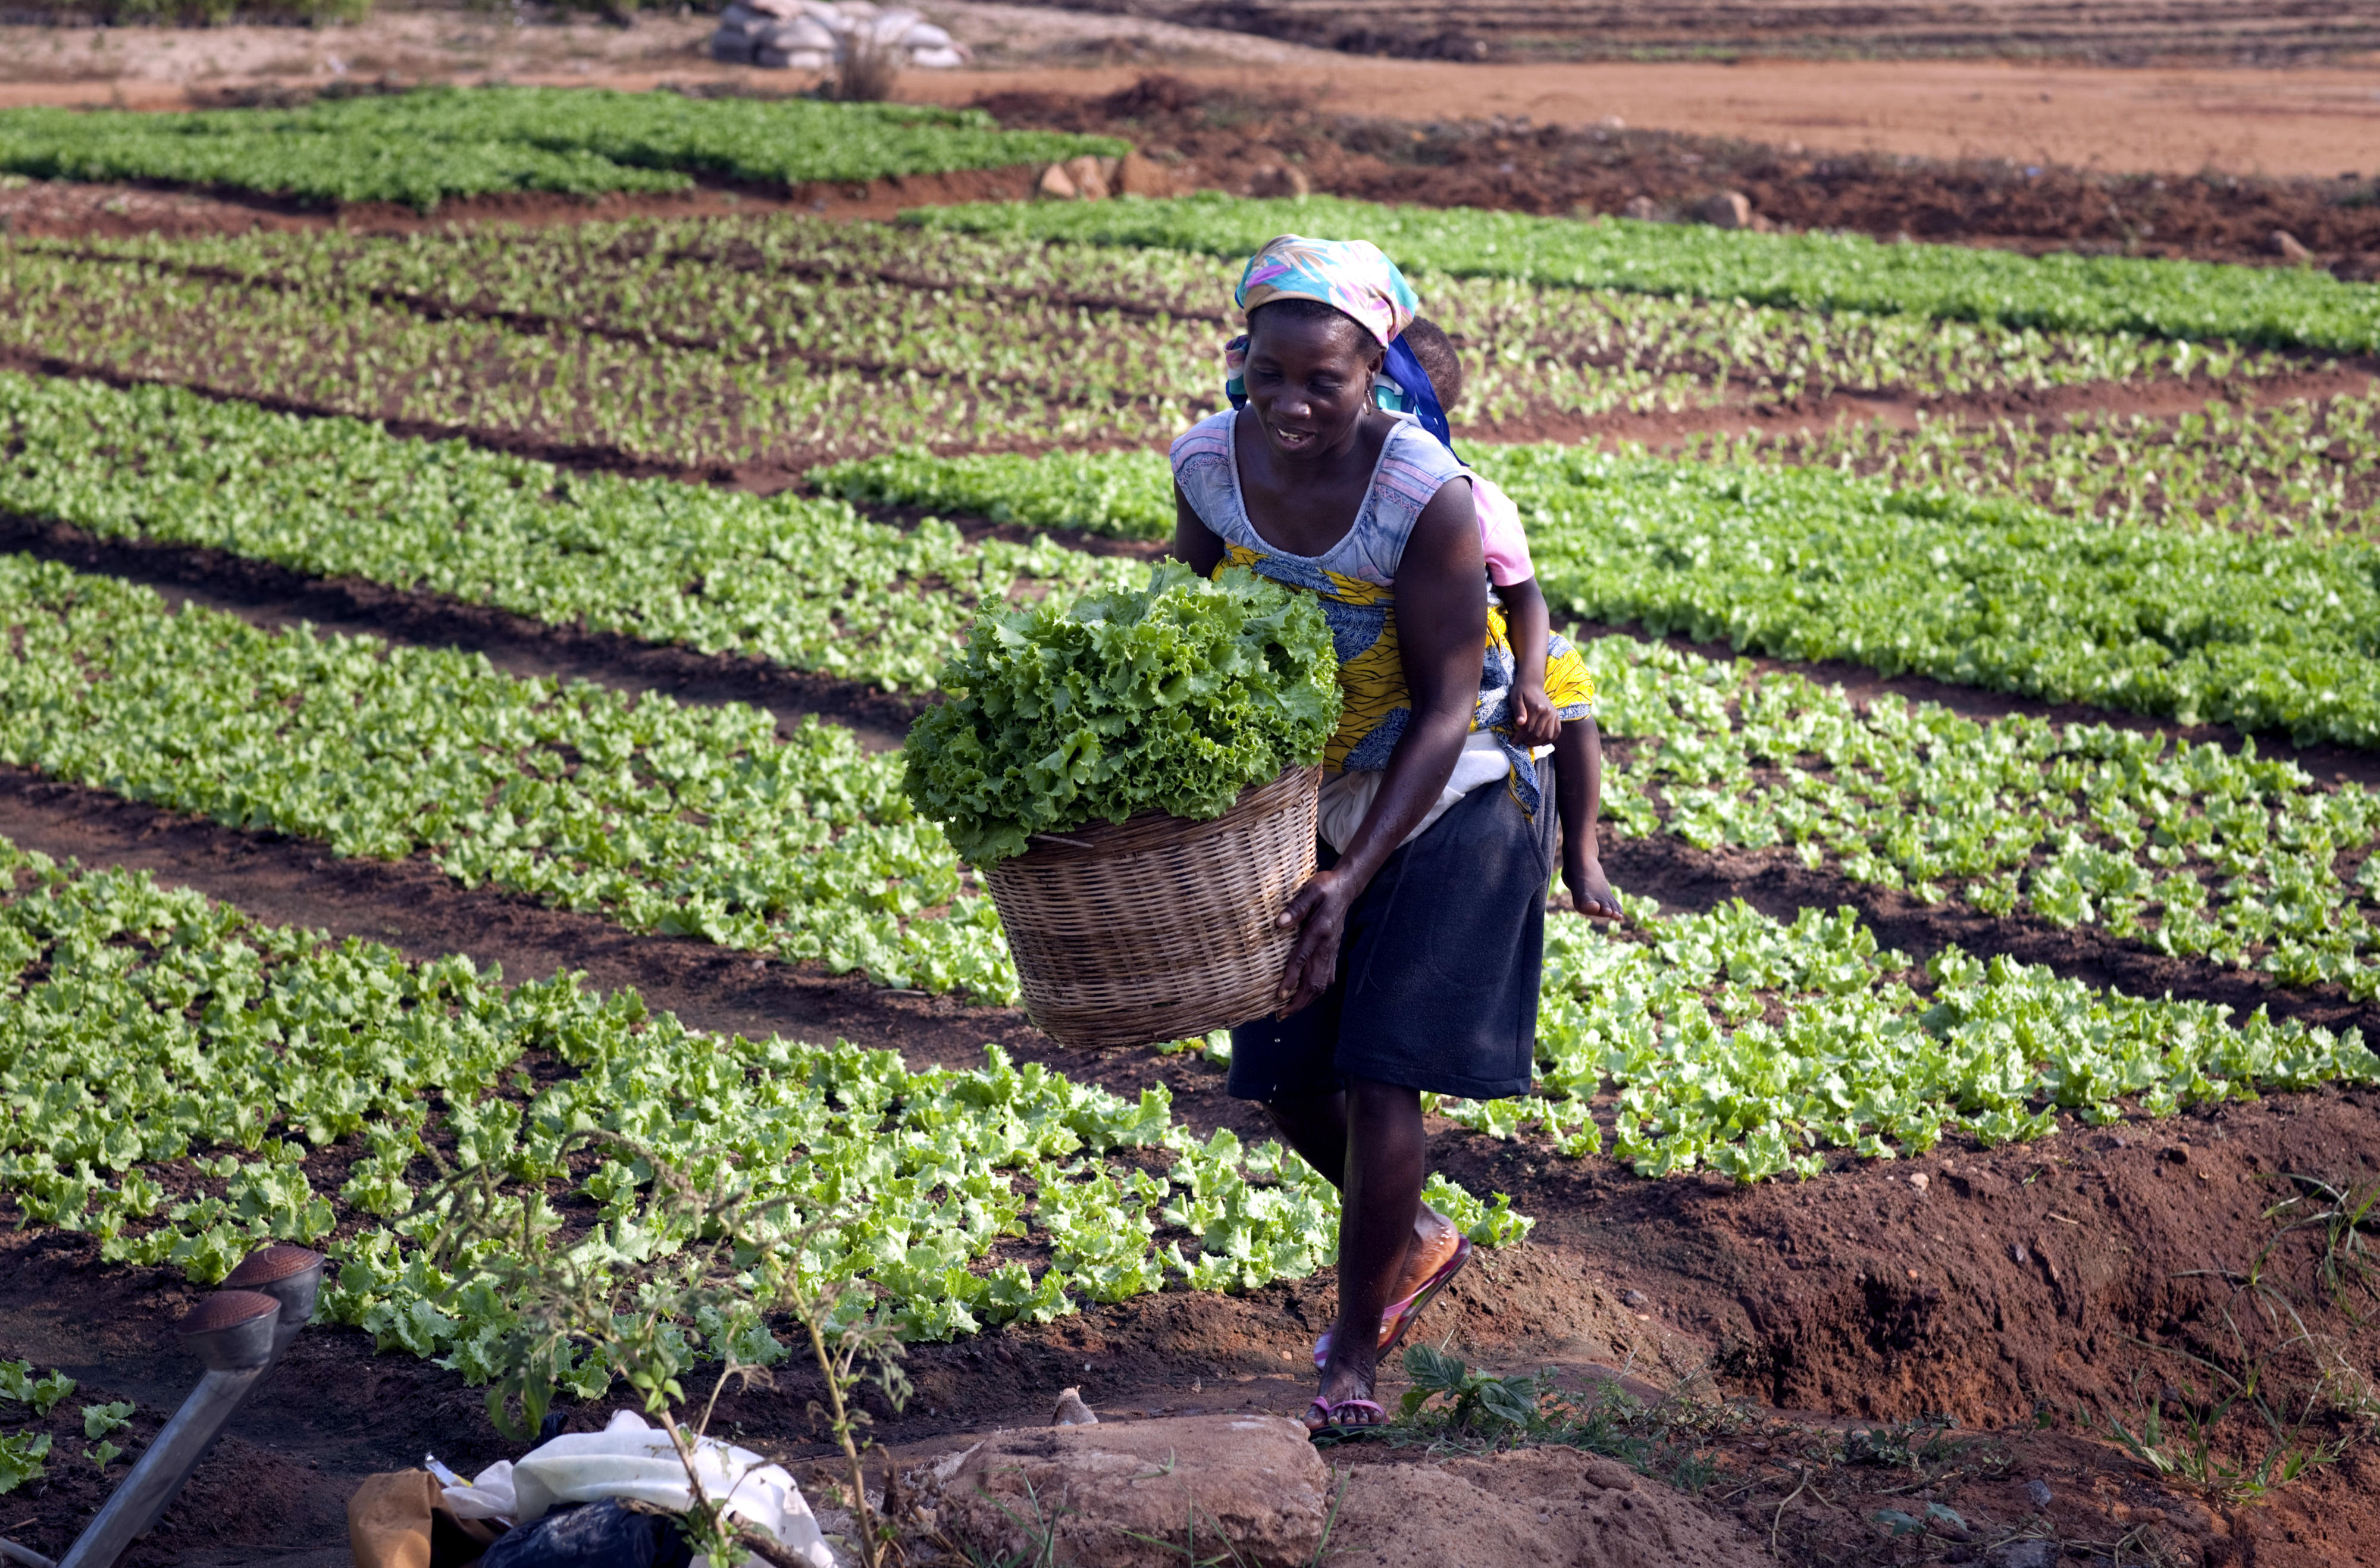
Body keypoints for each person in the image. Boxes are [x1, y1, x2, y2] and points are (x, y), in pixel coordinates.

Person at [1169, 234, 1571, 1437]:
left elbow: (1451, 700)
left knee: (1376, 1065)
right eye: (1268, 376)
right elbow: (1181, 625)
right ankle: (1416, 1239)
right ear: (1238, 362)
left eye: (1322, 381)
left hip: (1451, 790)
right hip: (1308, 791)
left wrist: (1348, 880)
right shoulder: (1205, 462)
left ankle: (1352, 1352)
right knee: (1284, 1073)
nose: (1290, 404)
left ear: (1372, 369)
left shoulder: (1425, 496)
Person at [1225, 312, 1623, 921]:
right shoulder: (1288, 475)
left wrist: (1530, 682)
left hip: (1488, 642)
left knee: (1569, 690)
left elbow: (1526, 598)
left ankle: (1585, 855)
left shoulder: (1465, 496)